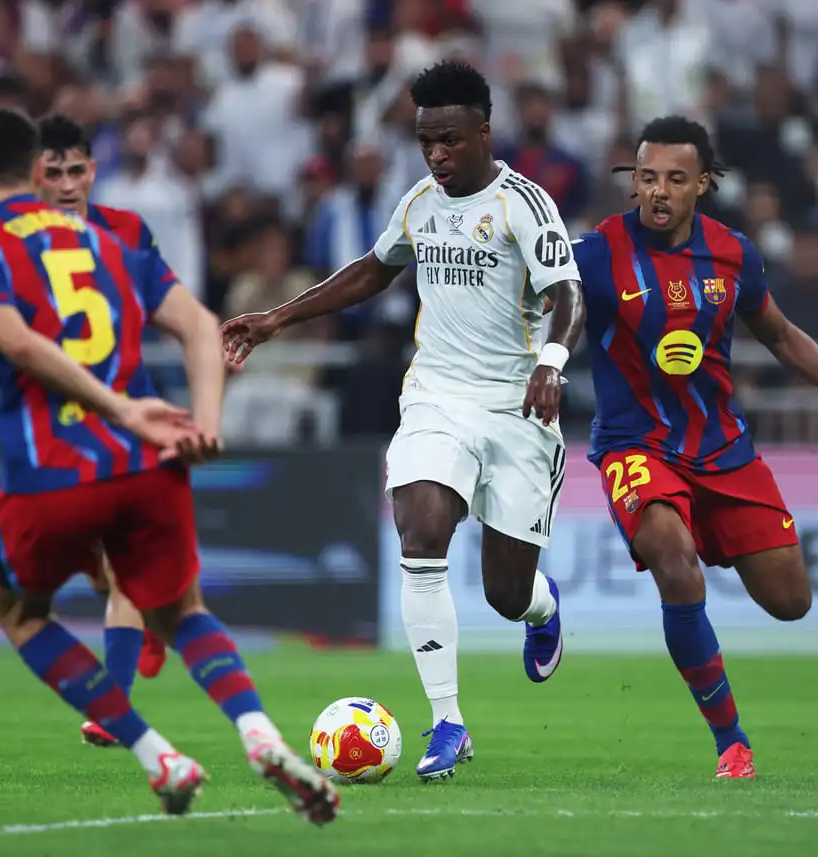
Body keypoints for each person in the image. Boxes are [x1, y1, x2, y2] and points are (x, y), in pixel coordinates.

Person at [0, 107, 339, 823]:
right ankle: (258, 732)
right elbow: (199, 325)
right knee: (184, 606)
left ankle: (157, 752)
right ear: (35, 173)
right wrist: (203, 424)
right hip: (148, 460)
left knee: (20, 612)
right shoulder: (114, 242)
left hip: (55, 466)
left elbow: (8, 341)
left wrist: (115, 406)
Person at [221, 60, 586, 782]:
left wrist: (551, 361)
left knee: (505, 592)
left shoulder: (525, 204)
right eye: (425, 142)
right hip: (436, 396)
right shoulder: (420, 202)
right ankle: (447, 720)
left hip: (516, 407)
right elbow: (371, 268)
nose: (436, 155)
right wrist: (277, 318)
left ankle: (542, 608)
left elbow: (569, 294)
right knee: (419, 530)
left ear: (483, 131)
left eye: (449, 140)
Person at [573, 115, 818, 779]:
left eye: (675, 178)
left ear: (702, 183)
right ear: (632, 180)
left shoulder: (733, 254)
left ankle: (702, 529)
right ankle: (731, 741)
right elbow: (552, 310)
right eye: (646, 177)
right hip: (634, 446)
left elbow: (782, 337)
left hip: (721, 450)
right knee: (673, 560)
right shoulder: (596, 253)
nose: (658, 191)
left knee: (790, 601)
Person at [0, 113, 174, 750]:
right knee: (99, 568)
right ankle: (149, 620)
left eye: (79, 170)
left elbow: (159, 306)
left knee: (121, 559)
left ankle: (115, 703)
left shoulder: (121, 236)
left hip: (123, 417)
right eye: (55, 171)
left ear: (92, 172)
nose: (69, 183)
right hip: (45, 428)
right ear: (32, 176)